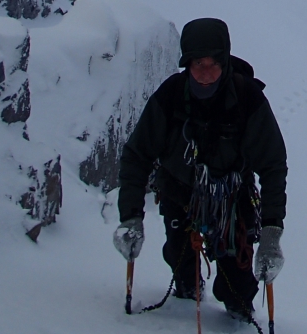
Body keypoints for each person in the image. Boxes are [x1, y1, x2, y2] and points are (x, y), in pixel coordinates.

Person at [112, 17, 287, 322]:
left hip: (233, 205)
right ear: (186, 64)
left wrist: (271, 234)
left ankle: (237, 312)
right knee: (183, 270)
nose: (206, 74)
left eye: (213, 64)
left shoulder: (247, 99)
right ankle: (188, 296)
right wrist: (130, 217)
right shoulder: (170, 97)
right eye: (197, 64)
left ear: (225, 61)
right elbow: (137, 155)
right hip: (181, 197)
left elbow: (272, 165)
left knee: (237, 291)